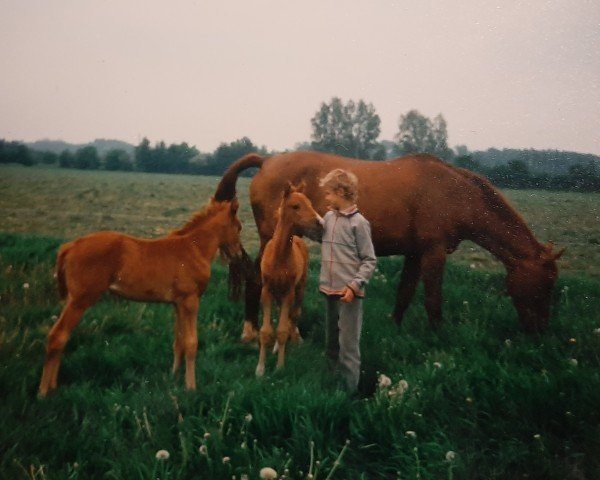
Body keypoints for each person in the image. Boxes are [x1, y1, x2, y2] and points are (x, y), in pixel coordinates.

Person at [318, 169, 377, 394]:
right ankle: (332, 386)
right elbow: (318, 233)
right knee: (331, 344)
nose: (325, 198)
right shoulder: (329, 218)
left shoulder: (359, 223)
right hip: (329, 290)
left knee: (348, 348)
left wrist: (355, 286)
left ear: (341, 192)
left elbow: (369, 260)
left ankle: (349, 394)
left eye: (328, 193)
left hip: (349, 294)